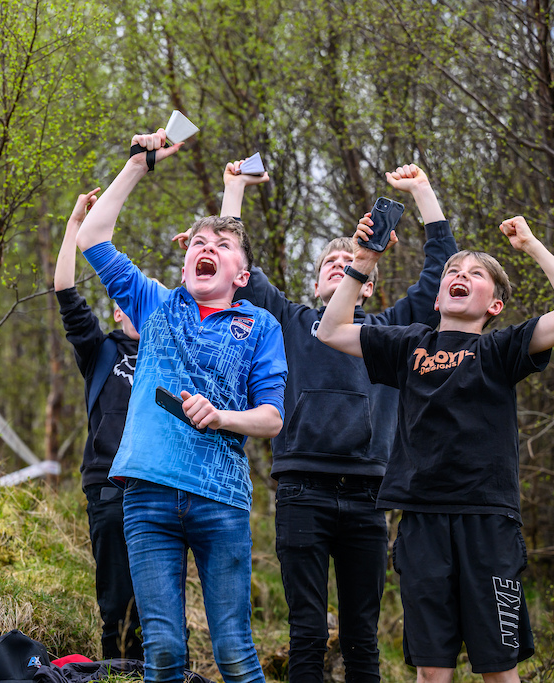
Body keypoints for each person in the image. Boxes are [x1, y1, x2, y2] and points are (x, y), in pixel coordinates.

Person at [180, 161, 456, 682]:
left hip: (368, 497)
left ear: (367, 284)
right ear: (314, 281)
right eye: (330, 260)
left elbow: (440, 274)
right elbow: (232, 266)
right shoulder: (286, 321)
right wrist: (232, 189)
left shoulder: (390, 330)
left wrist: (422, 192)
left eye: (349, 260)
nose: (339, 264)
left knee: (361, 639)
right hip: (302, 488)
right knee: (306, 633)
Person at [316, 216, 554, 682]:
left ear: (495, 304)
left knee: (499, 670)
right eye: (452, 271)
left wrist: (530, 245)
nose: (460, 275)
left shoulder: (503, 349)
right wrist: (363, 262)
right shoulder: (409, 345)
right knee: (431, 671)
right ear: (438, 294)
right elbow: (330, 330)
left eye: (476, 273)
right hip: (421, 520)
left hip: (488, 521)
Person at [76, 129, 288, 683]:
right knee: (164, 652)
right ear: (185, 257)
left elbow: (271, 417)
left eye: (221, 246)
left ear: (241, 276)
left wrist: (222, 417)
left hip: (221, 502)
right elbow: (94, 235)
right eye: (198, 244)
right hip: (145, 496)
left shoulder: (259, 324)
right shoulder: (155, 305)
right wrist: (140, 163)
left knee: (235, 653)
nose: (206, 250)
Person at [55, 187, 144, 661]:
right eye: (125, 303)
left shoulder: (168, 351)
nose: (134, 309)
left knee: (160, 603)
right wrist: (74, 227)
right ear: (116, 309)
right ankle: (115, 670)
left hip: (160, 487)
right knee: (116, 599)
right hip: (109, 487)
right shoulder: (101, 350)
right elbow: (66, 294)